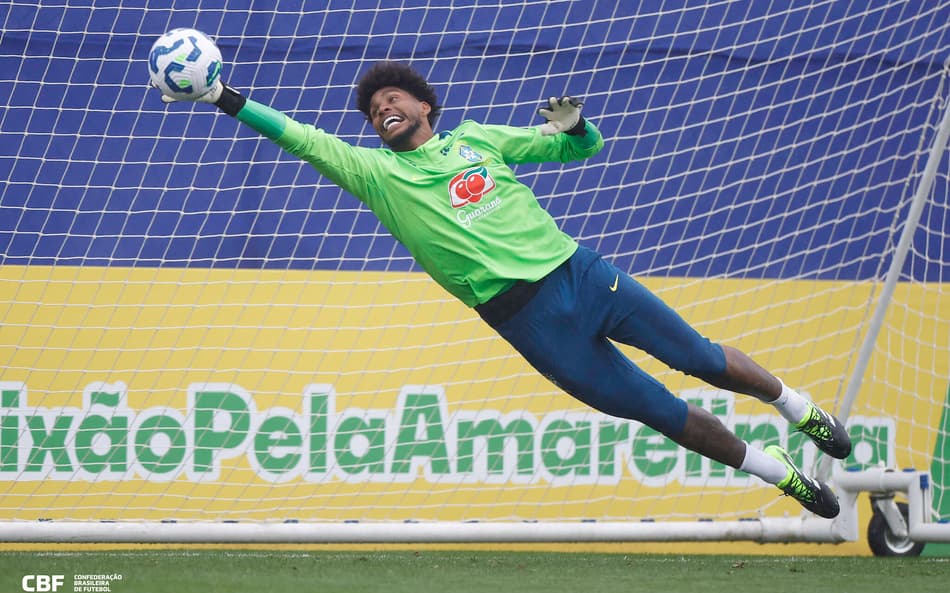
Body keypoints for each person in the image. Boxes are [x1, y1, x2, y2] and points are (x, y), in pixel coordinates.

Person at [157, 61, 851, 518]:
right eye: (372, 108)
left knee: (698, 357)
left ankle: (796, 405)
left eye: (393, 98)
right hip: (525, 320)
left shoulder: (479, 140)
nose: (382, 109)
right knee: (656, 410)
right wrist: (222, 95)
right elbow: (300, 137)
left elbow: (576, 150)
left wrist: (576, 126)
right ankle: (778, 472)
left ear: (425, 105)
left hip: (580, 272)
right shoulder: (373, 174)